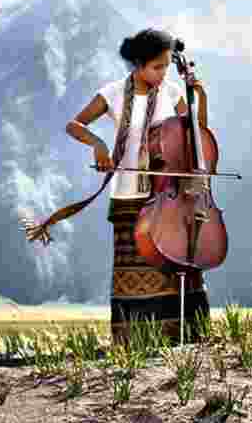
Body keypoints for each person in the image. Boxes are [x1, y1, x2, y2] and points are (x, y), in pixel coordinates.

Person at [24, 27, 212, 346]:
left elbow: (196, 132)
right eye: (157, 66)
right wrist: (98, 144)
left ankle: (184, 335)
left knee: (176, 263)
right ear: (137, 65)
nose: (163, 73)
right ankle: (134, 340)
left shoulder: (170, 92)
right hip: (128, 193)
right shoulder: (112, 93)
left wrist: (199, 96)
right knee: (133, 267)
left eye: (167, 66)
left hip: (168, 191)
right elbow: (75, 124)